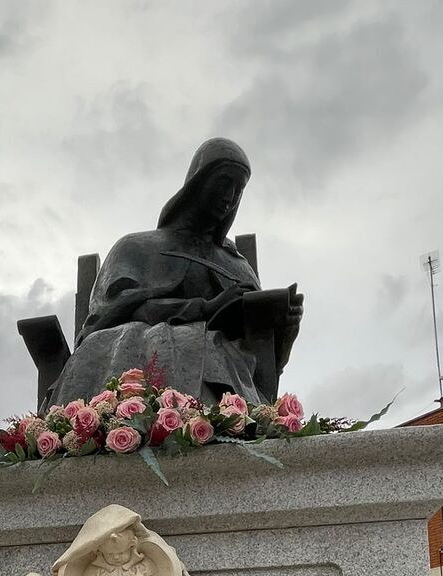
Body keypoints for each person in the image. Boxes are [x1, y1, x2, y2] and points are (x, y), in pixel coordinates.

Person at [48, 138, 303, 407]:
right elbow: (109, 311)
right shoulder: (136, 247)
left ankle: (214, 420)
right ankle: (134, 414)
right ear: (198, 182)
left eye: (238, 190)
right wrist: (205, 308)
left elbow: (259, 357)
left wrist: (284, 329)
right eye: (223, 182)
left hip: (225, 362)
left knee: (212, 350)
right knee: (153, 340)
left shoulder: (237, 265)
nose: (229, 197)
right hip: (142, 344)